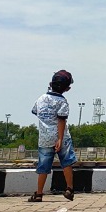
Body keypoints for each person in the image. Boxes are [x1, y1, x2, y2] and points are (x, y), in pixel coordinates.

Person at [29, 69, 75, 202]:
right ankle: (69, 189)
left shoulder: (41, 98)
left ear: (50, 83)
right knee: (66, 162)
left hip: (44, 138)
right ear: (67, 89)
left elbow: (35, 111)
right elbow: (61, 120)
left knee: (43, 166)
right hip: (62, 138)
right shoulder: (62, 102)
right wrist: (59, 139)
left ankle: (38, 193)